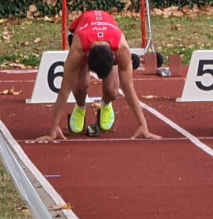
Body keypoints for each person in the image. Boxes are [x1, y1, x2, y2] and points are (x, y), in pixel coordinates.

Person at [39, 10, 159, 141]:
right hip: (79, 31)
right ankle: (80, 107)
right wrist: (54, 127)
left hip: (106, 37)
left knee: (112, 91)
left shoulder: (122, 49)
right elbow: (65, 88)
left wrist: (143, 126)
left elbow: (128, 87)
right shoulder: (78, 48)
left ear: (114, 57)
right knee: (80, 86)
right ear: (87, 56)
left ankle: (106, 104)